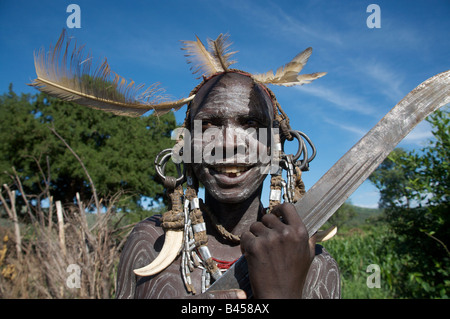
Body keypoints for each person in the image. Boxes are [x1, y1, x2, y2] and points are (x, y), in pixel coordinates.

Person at [30, 31, 340, 299]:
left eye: (250, 123)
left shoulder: (312, 260)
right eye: (209, 124)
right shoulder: (148, 244)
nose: (229, 142)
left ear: (276, 146)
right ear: (186, 147)